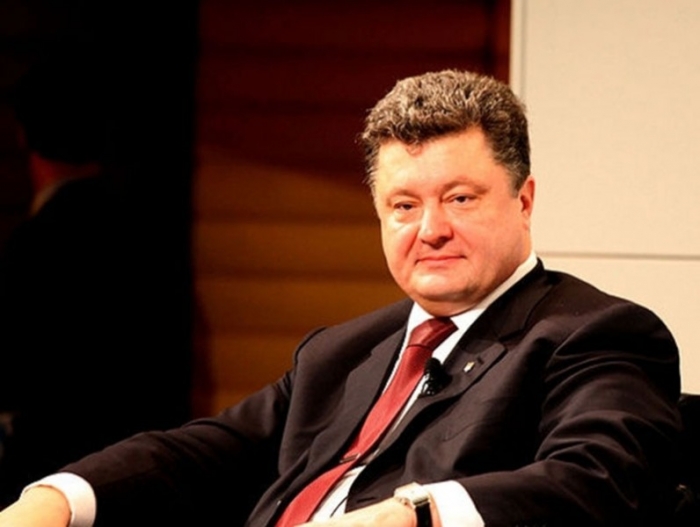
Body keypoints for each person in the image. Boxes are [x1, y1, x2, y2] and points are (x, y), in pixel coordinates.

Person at [0, 69, 682, 526]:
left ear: (524, 200)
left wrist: (414, 514)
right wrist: (58, 497)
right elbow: (207, 451)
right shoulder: (343, 350)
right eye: (404, 205)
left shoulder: (595, 333)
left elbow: (601, 480)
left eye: (460, 198)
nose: (431, 229)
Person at [0, 47, 189, 506]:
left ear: (22, 134)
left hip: (45, 481)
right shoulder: (149, 235)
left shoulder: (32, 245)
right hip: (141, 474)